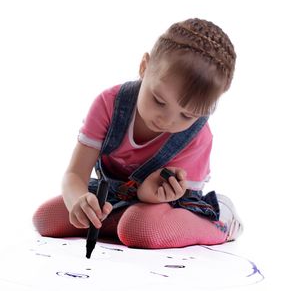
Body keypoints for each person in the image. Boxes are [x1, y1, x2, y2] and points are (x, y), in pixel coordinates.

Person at [33, 18, 243, 248]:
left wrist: (151, 193)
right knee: (45, 219)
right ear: (144, 66)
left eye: (187, 115)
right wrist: (79, 201)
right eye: (159, 101)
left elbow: (180, 199)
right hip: (115, 194)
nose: (168, 121)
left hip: (163, 205)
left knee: (139, 229)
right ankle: (117, 223)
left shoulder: (197, 136)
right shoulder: (110, 105)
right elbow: (75, 175)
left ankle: (219, 224)